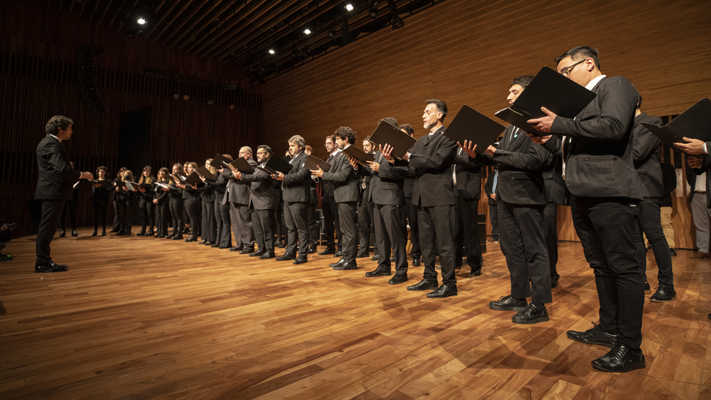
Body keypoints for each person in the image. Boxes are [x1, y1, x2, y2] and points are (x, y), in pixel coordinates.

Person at [529, 46, 645, 372]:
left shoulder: (615, 85)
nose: (563, 80)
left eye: (565, 72)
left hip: (611, 193)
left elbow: (614, 127)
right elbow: (576, 144)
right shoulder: (577, 107)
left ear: (589, 63)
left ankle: (631, 346)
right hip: (582, 194)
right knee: (601, 266)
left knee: (625, 268)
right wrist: (548, 139)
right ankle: (609, 328)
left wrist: (561, 125)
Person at [464, 75, 552, 324]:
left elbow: (537, 160)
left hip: (527, 195)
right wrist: (478, 155)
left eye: (514, 92)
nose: (508, 96)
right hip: (505, 195)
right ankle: (519, 295)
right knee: (511, 249)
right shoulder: (512, 125)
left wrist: (497, 151)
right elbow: (502, 158)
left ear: (526, 94)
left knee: (534, 250)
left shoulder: (537, 122)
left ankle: (539, 304)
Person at [403, 99, 458, 298]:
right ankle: (429, 277)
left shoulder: (449, 137)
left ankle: (450, 283)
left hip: (440, 196)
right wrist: (394, 158)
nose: (423, 115)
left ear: (439, 115)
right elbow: (413, 165)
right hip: (421, 197)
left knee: (444, 242)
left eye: (427, 112)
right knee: (425, 241)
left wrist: (409, 157)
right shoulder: (420, 140)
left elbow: (437, 161)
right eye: (424, 112)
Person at [34, 115, 93, 273]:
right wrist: (83, 174)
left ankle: (44, 261)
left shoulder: (50, 143)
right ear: (60, 129)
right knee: (47, 229)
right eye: (70, 128)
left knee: (48, 228)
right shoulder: (51, 144)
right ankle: (42, 263)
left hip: (54, 192)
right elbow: (62, 169)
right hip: (53, 192)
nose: (71, 132)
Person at [631, 97, 675, 301]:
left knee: (655, 236)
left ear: (635, 102)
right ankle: (640, 280)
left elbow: (637, 153)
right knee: (634, 239)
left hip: (647, 187)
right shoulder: (623, 126)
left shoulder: (652, 122)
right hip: (628, 189)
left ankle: (667, 285)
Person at [312, 127, 360, 270]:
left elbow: (342, 176)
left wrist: (323, 175)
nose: (336, 141)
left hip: (347, 196)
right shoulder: (342, 154)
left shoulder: (348, 154)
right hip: (341, 195)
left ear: (346, 139)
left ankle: (350, 260)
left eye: (338, 139)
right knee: (344, 229)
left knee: (349, 230)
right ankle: (345, 257)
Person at [273, 135, 311, 264]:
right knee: (290, 228)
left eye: (292, 146)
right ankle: (290, 252)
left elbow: (302, 175)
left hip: (298, 197)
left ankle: (303, 254)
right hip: (287, 197)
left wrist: (284, 178)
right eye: (289, 146)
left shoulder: (305, 157)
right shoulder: (291, 159)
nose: (290, 148)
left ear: (300, 147)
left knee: (301, 228)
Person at [238, 145, 278, 258]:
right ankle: (261, 248)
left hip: (265, 201)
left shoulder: (270, 166)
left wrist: (241, 176)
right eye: (257, 153)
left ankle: (270, 250)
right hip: (255, 201)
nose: (258, 155)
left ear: (267, 154)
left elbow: (258, 177)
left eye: (260, 153)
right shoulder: (260, 165)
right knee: (258, 229)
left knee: (267, 229)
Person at [227, 147, 256, 253]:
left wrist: (233, 173)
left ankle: (248, 245)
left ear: (249, 154)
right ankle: (240, 243)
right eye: (239, 153)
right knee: (235, 222)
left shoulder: (251, 163)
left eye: (242, 153)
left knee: (245, 222)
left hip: (243, 195)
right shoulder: (239, 164)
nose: (240, 155)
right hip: (235, 196)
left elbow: (234, 175)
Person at [399, 124, 420, 265]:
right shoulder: (399, 149)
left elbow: (415, 170)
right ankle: (400, 254)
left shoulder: (416, 148)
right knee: (400, 225)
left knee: (415, 225)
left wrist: (400, 169)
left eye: (403, 134)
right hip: (399, 193)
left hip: (412, 192)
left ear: (411, 135)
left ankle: (416, 254)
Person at [318, 135, 341, 256]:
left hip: (335, 193)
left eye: (329, 143)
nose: (326, 146)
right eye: (325, 144)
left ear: (335, 144)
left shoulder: (339, 157)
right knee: (328, 222)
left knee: (338, 222)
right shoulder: (328, 159)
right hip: (326, 194)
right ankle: (330, 245)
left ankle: (341, 248)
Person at [357, 137, 375, 258]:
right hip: (362, 193)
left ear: (373, 146)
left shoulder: (376, 158)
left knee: (376, 224)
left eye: (367, 145)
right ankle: (363, 250)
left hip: (372, 194)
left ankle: (379, 250)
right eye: (363, 146)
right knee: (362, 223)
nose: (365, 148)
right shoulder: (363, 159)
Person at [213, 155, 233, 249]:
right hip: (217, 197)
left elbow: (221, 183)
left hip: (224, 197)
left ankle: (225, 242)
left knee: (225, 221)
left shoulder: (228, 171)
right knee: (219, 221)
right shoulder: (219, 172)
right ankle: (219, 241)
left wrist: (209, 182)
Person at [304, 145, 320, 253]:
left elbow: (317, 179)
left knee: (311, 221)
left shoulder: (313, 163)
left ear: (309, 152)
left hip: (310, 194)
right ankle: (304, 244)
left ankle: (313, 244)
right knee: (302, 221)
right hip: (301, 194)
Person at [198, 159, 217, 246]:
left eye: (209, 164)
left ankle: (212, 238)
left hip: (211, 197)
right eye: (206, 164)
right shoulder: (204, 176)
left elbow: (211, 186)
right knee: (204, 218)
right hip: (205, 197)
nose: (207, 166)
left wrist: (205, 181)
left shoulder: (214, 175)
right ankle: (205, 237)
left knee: (210, 218)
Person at [59, 161, 80, 237]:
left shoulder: (75, 176)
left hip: (73, 197)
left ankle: (74, 230)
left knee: (73, 214)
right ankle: (63, 230)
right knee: (62, 214)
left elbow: (77, 186)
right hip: (64, 197)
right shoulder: (62, 175)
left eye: (71, 166)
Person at [91, 166, 111, 236]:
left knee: (103, 215)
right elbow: (93, 191)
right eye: (100, 172)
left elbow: (109, 190)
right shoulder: (95, 180)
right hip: (96, 199)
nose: (101, 173)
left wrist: (103, 187)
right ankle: (95, 230)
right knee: (96, 215)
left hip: (104, 199)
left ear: (105, 173)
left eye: (103, 172)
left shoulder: (108, 181)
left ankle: (103, 231)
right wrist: (96, 187)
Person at [116, 170, 137, 235]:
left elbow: (134, 193)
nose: (126, 175)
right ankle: (122, 229)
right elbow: (119, 191)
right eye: (125, 174)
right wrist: (118, 189)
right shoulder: (121, 182)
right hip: (122, 200)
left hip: (129, 200)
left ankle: (128, 230)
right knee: (122, 215)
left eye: (128, 174)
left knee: (128, 215)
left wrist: (129, 190)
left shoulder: (133, 183)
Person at [136, 166, 156, 237]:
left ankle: (151, 230)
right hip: (143, 199)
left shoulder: (153, 179)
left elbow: (154, 190)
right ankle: (143, 230)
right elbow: (139, 191)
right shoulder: (141, 179)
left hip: (149, 199)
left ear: (150, 172)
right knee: (143, 215)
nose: (146, 172)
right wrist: (137, 190)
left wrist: (145, 191)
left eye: (147, 171)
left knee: (150, 215)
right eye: (144, 171)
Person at [168, 163, 185, 240]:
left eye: (176, 169)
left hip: (177, 199)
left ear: (179, 170)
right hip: (171, 198)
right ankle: (174, 231)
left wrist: (170, 189)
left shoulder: (181, 178)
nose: (174, 171)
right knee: (173, 217)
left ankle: (179, 233)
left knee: (179, 216)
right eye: (173, 169)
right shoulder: (172, 178)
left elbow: (180, 190)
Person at [484, 165, 500, 242]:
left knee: (501, 220)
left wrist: (497, 194)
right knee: (493, 219)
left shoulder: (503, 174)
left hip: (500, 200)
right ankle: (494, 236)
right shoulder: (492, 174)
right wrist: (490, 194)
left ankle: (503, 237)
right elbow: (486, 186)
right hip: (492, 200)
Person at [153, 168, 171, 238]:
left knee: (163, 217)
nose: (161, 174)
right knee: (158, 217)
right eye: (160, 173)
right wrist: (154, 198)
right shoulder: (159, 181)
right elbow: (155, 191)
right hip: (157, 201)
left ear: (166, 174)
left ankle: (163, 232)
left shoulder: (167, 181)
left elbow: (166, 193)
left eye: (163, 173)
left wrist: (159, 199)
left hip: (163, 201)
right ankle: (159, 232)